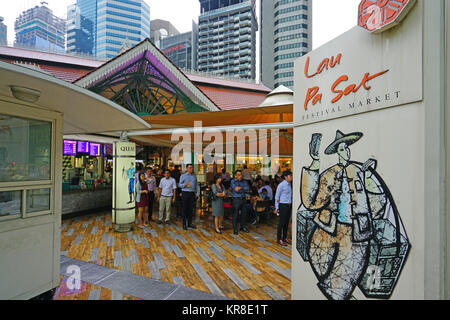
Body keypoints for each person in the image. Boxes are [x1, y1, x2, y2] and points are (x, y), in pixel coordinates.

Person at [274, 170, 293, 246]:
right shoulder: (281, 185)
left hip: (289, 205)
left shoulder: (290, 184)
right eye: (290, 176)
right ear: (286, 177)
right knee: (281, 223)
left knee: (286, 223)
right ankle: (279, 239)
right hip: (283, 205)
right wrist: (276, 207)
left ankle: (285, 237)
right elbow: (277, 197)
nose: (291, 177)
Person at [179, 164, 199, 230]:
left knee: (191, 209)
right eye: (190, 168)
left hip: (192, 193)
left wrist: (197, 193)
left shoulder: (194, 176)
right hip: (185, 193)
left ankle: (190, 223)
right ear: (187, 169)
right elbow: (179, 185)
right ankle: (184, 224)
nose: (191, 169)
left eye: (192, 168)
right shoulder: (183, 176)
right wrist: (185, 184)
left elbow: (196, 185)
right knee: (184, 209)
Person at [230, 170, 250, 234]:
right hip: (236, 199)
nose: (240, 176)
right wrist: (242, 189)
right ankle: (235, 229)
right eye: (238, 175)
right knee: (235, 214)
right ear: (235, 175)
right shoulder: (233, 181)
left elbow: (247, 188)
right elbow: (236, 189)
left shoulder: (244, 181)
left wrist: (240, 188)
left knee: (244, 214)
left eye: (240, 174)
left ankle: (243, 227)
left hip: (243, 199)